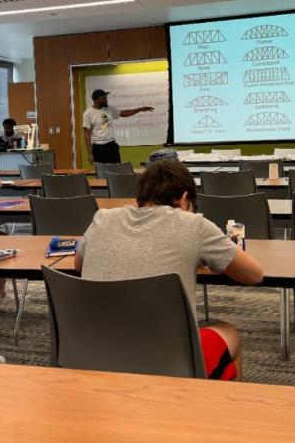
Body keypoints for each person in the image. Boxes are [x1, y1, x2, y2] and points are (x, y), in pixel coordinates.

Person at [76, 160, 264, 380]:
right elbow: (254, 274)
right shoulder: (193, 225)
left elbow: (79, 265)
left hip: (90, 354)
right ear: (185, 200)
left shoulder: (103, 218)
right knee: (229, 332)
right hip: (167, 362)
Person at [82, 89, 154, 164]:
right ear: (96, 100)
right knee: (101, 172)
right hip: (98, 148)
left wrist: (140, 109)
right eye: (103, 98)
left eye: (106, 98)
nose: (106, 100)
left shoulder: (109, 108)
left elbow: (124, 113)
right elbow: (87, 134)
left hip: (111, 146)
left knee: (117, 170)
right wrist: (90, 154)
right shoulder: (88, 113)